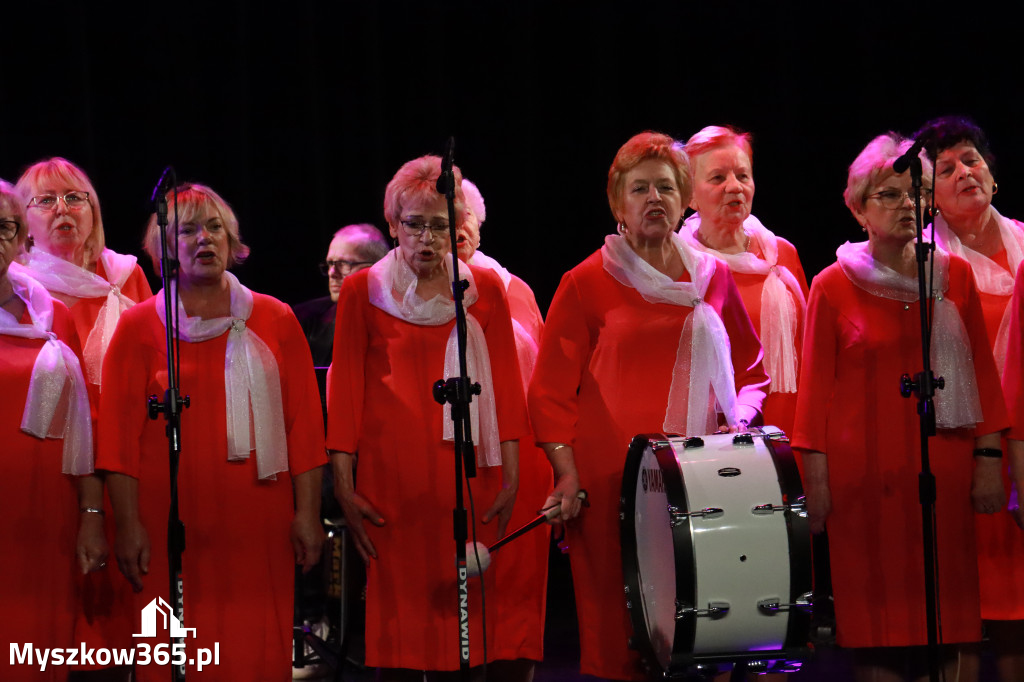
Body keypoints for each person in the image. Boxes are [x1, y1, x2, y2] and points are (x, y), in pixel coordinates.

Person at [527, 131, 770, 681]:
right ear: (618, 204)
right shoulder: (586, 282)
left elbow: (755, 372)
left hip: (705, 477)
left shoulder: (715, 279)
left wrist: (741, 420)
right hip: (613, 485)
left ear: (685, 199)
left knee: (700, 634)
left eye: (665, 186)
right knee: (622, 641)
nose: (654, 198)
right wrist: (565, 473)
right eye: (639, 189)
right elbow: (548, 393)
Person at [792, 133, 1007, 681]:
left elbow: (982, 374)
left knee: (950, 618)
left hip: (946, 468)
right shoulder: (831, 285)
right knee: (879, 627)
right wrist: (814, 485)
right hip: (864, 482)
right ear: (858, 206)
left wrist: (988, 462)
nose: (908, 205)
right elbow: (814, 395)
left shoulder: (953, 276)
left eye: (916, 194)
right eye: (889, 195)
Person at [97, 183, 325, 682]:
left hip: (257, 520)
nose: (205, 239)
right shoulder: (138, 327)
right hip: (167, 524)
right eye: (189, 229)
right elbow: (115, 442)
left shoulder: (275, 318)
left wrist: (308, 514)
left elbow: (304, 429)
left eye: (215, 227)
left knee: (251, 652)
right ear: (165, 248)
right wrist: (129, 524)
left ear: (231, 239)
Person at [326, 156, 530, 682]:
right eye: (414, 224)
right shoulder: (361, 291)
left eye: (439, 225)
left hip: (470, 477)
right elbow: (345, 392)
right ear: (393, 225)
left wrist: (512, 475)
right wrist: (343, 487)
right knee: (399, 634)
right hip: (391, 485)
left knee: (467, 629)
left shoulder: (484, 291)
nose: (426, 238)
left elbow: (506, 387)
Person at [914, 116, 1024, 682]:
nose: (963, 173)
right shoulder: (927, 266)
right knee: (966, 608)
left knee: (1020, 613)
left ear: (993, 175)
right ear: (929, 197)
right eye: (947, 168)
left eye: (971, 160)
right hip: (968, 449)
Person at [0, 179, 104, 682]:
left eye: (5, 228)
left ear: (22, 241)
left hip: (47, 516)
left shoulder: (51, 315)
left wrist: (90, 513)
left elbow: (80, 423)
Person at [456, 178, 551, 672]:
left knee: (513, 610)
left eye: (464, 212)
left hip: (520, 465)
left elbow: (546, 390)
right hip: (449, 464)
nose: (456, 225)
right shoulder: (400, 298)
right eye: (441, 216)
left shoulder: (517, 290)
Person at [680, 126, 809, 436]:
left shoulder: (781, 256)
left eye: (743, 175)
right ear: (689, 195)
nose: (734, 186)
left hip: (791, 419)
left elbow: (808, 347)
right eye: (717, 178)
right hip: (717, 429)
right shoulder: (681, 266)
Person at [16, 157, 153, 387]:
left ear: (94, 213)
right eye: (46, 200)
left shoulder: (124, 275)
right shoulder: (14, 285)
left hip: (122, 418)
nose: (62, 208)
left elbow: (157, 362)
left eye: (74, 198)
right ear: (23, 222)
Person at [293, 223, 389, 372]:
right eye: (330, 263)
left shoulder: (399, 320)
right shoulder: (304, 318)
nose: (332, 273)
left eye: (343, 263)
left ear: (378, 267)